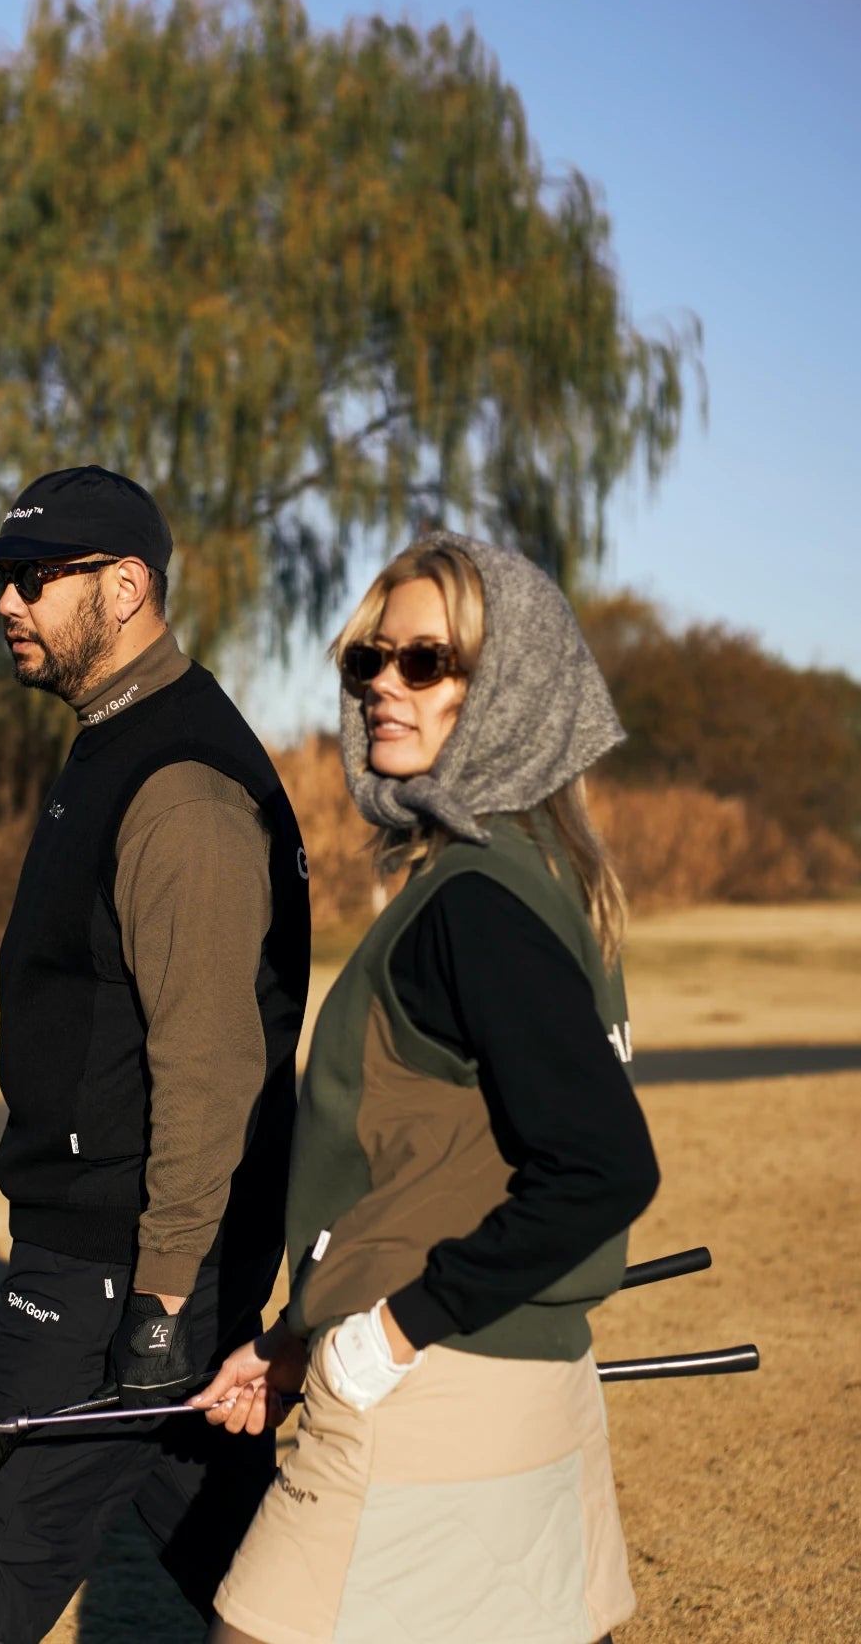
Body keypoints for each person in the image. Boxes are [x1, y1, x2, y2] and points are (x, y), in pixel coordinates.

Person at [193, 533, 660, 1644]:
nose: (381, 687)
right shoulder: (537, 875)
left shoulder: (475, 903)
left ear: (507, 687)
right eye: (368, 658)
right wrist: (298, 1334)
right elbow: (445, 1161)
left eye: (426, 661)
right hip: (524, 1376)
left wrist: (390, 1334)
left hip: (434, 1397)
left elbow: (602, 1168)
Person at [0, 465, 311, 1643]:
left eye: (33, 578)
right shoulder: (119, 740)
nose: (5, 603)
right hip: (137, 1260)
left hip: (118, 1268)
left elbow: (209, 1061)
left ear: (125, 588)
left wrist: (164, 1299)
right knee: (260, 1574)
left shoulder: (179, 785)